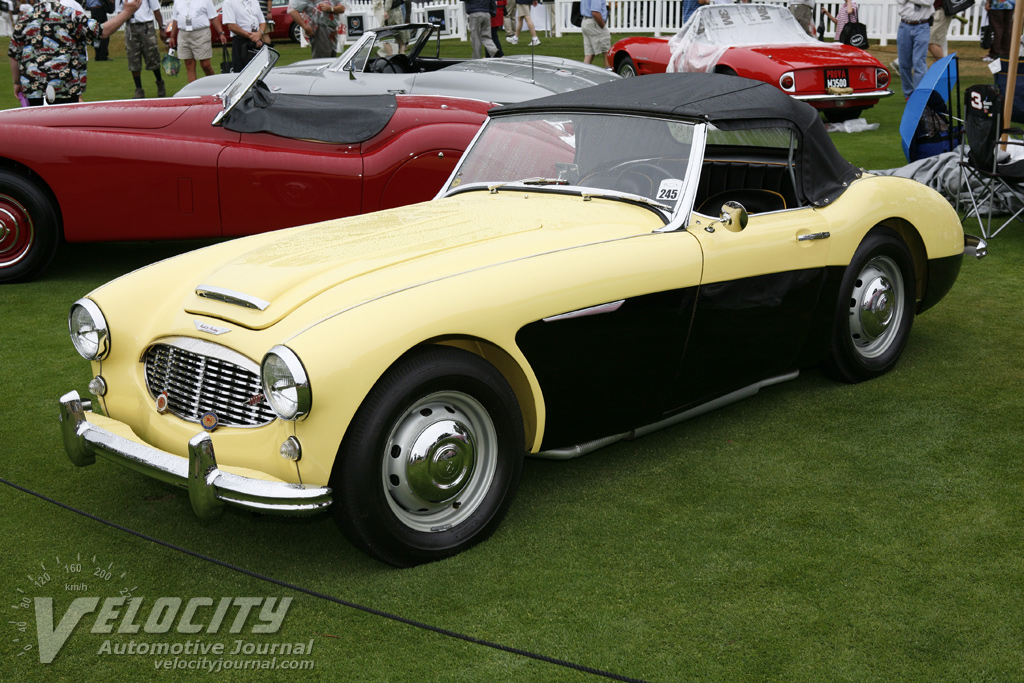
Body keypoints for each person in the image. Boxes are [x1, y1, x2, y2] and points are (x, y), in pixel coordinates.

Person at [8, 0, 141, 106]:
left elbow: (13, 54)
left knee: (38, 134)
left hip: (33, 88)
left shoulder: (24, 19)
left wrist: (16, 82)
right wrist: (127, 12)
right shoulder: (69, 14)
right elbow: (102, 31)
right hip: (65, 87)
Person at [114, 0, 166, 98]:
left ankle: (160, 83)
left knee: (152, 57)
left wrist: (161, 28)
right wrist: (126, 12)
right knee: (133, 58)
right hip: (131, 27)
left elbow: (156, 9)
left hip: (146, 26)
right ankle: (139, 89)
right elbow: (119, 13)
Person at [168, 0, 228, 82]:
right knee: (189, 64)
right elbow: (175, 19)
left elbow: (213, 17)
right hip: (183, 34)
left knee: (205, 65)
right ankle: (193, 91)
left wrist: (221, 33)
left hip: (201, 33)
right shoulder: (177, 1)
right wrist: (172, 37)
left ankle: (213, 85)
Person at [896, 0, 933, 99]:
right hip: (904, 25)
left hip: (922, 25)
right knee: (904, 63)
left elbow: (928, 2)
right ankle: (908, 93)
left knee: (918, 62)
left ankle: (919, 95)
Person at [222, 0, 268, 73]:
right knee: (241, 72)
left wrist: (259, 33)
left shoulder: (254, 1)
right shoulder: (229, 2)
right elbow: (231, 26)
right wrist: (251, 36)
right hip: (241, 42)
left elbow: (262, 22)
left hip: (256, 39)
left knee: (261, 71)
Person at [580, 0, 610, 67]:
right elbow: (595, 12)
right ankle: (609, 76)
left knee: (589, 54)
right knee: (606, 52)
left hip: (585, 20)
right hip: (594, 22)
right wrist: (603, 25)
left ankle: (584, 74)